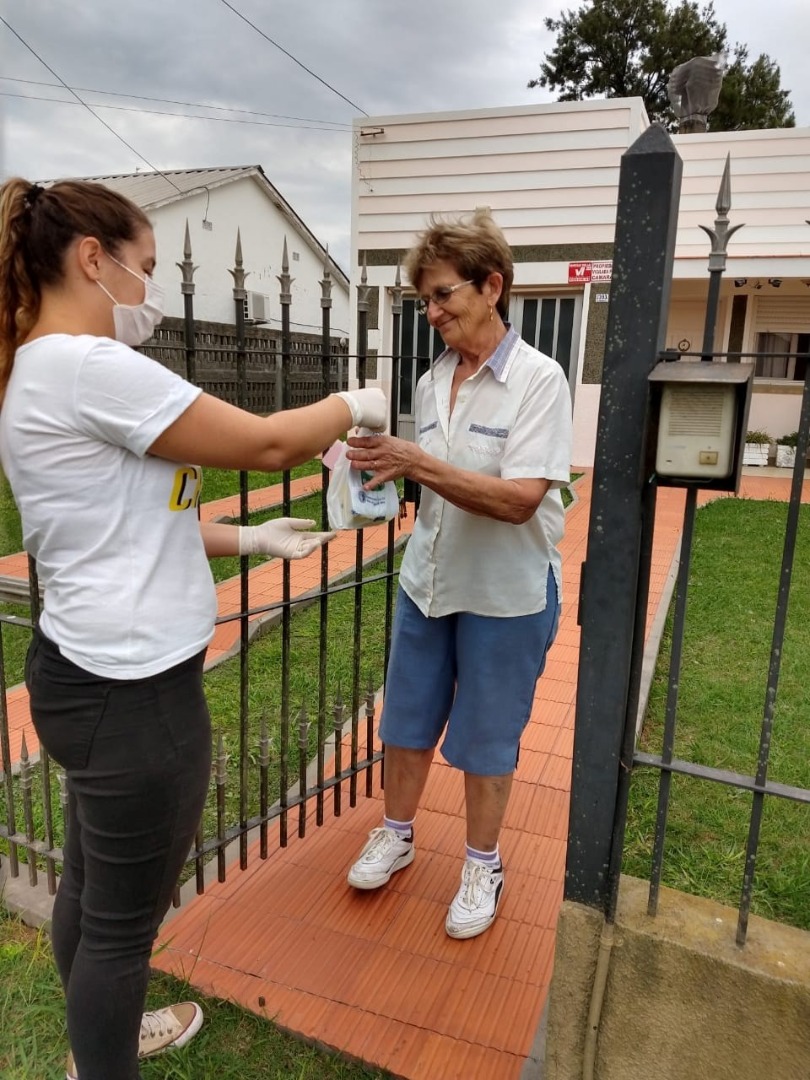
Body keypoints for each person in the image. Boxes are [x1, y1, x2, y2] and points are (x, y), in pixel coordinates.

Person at [0, 176, 386, 1080]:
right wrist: (357, 404)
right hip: (135, 699)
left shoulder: (35, 370)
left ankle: (103, 1043)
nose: (150, 292)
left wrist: (248, 535)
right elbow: (266, 444)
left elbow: (123, 522)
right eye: (143, 267)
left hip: (77, 674)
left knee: (93, 890)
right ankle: (103, 1059)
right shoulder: (88, 366)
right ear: (91, 260)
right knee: (122, 932)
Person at [345, 209, 572, 939]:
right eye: (426, 301)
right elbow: (434, 487)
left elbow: (518, 501)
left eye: (443, 295)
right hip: (427, 583)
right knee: (405, 726)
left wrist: (415, 462)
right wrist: (379, 481)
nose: (433, 312)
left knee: (485, 739)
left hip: (504, 595)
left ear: (492, 286)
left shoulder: (540, 381)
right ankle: (398, 834)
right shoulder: (432, 379)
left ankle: (483, 863)